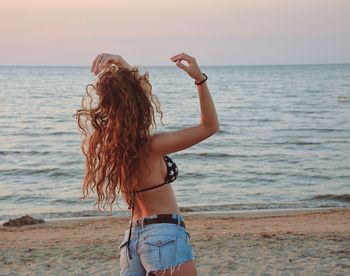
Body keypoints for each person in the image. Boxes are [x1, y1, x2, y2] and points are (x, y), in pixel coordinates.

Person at [76, 52, 219, 275]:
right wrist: (199, 80)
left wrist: (122, 64)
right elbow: (209, 126)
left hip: (131, 242)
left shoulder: (113, 148)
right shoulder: (152, 146)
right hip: (163, 236)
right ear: (140, 105)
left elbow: (136, 95)